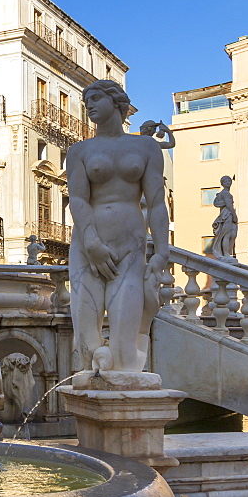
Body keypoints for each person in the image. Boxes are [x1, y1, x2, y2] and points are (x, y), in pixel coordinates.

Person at [67, 80, 169, 373]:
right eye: (86, 102)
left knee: (123, 353)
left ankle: (128, 365)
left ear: (116, 102)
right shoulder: (79, 151)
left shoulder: (146, 146)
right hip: (88, 247)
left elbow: (157, 202)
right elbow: (77, 199)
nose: (90, 106)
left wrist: (162, 250)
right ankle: (91, 389)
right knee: (87, 341)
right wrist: (91, 243)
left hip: (130, 244)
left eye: (96, 98)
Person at [210, 175, 237, 259]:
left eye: (229, 181)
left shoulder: (226, 193)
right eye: (225, 181)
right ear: (222, 184)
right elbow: (229, 206)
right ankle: (226, 254)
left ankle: (227, 252)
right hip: (227, 215)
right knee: (227, 235)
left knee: (232, 235)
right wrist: (234, 216)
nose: (228, 182)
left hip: (227, 215)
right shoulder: (225, 193)